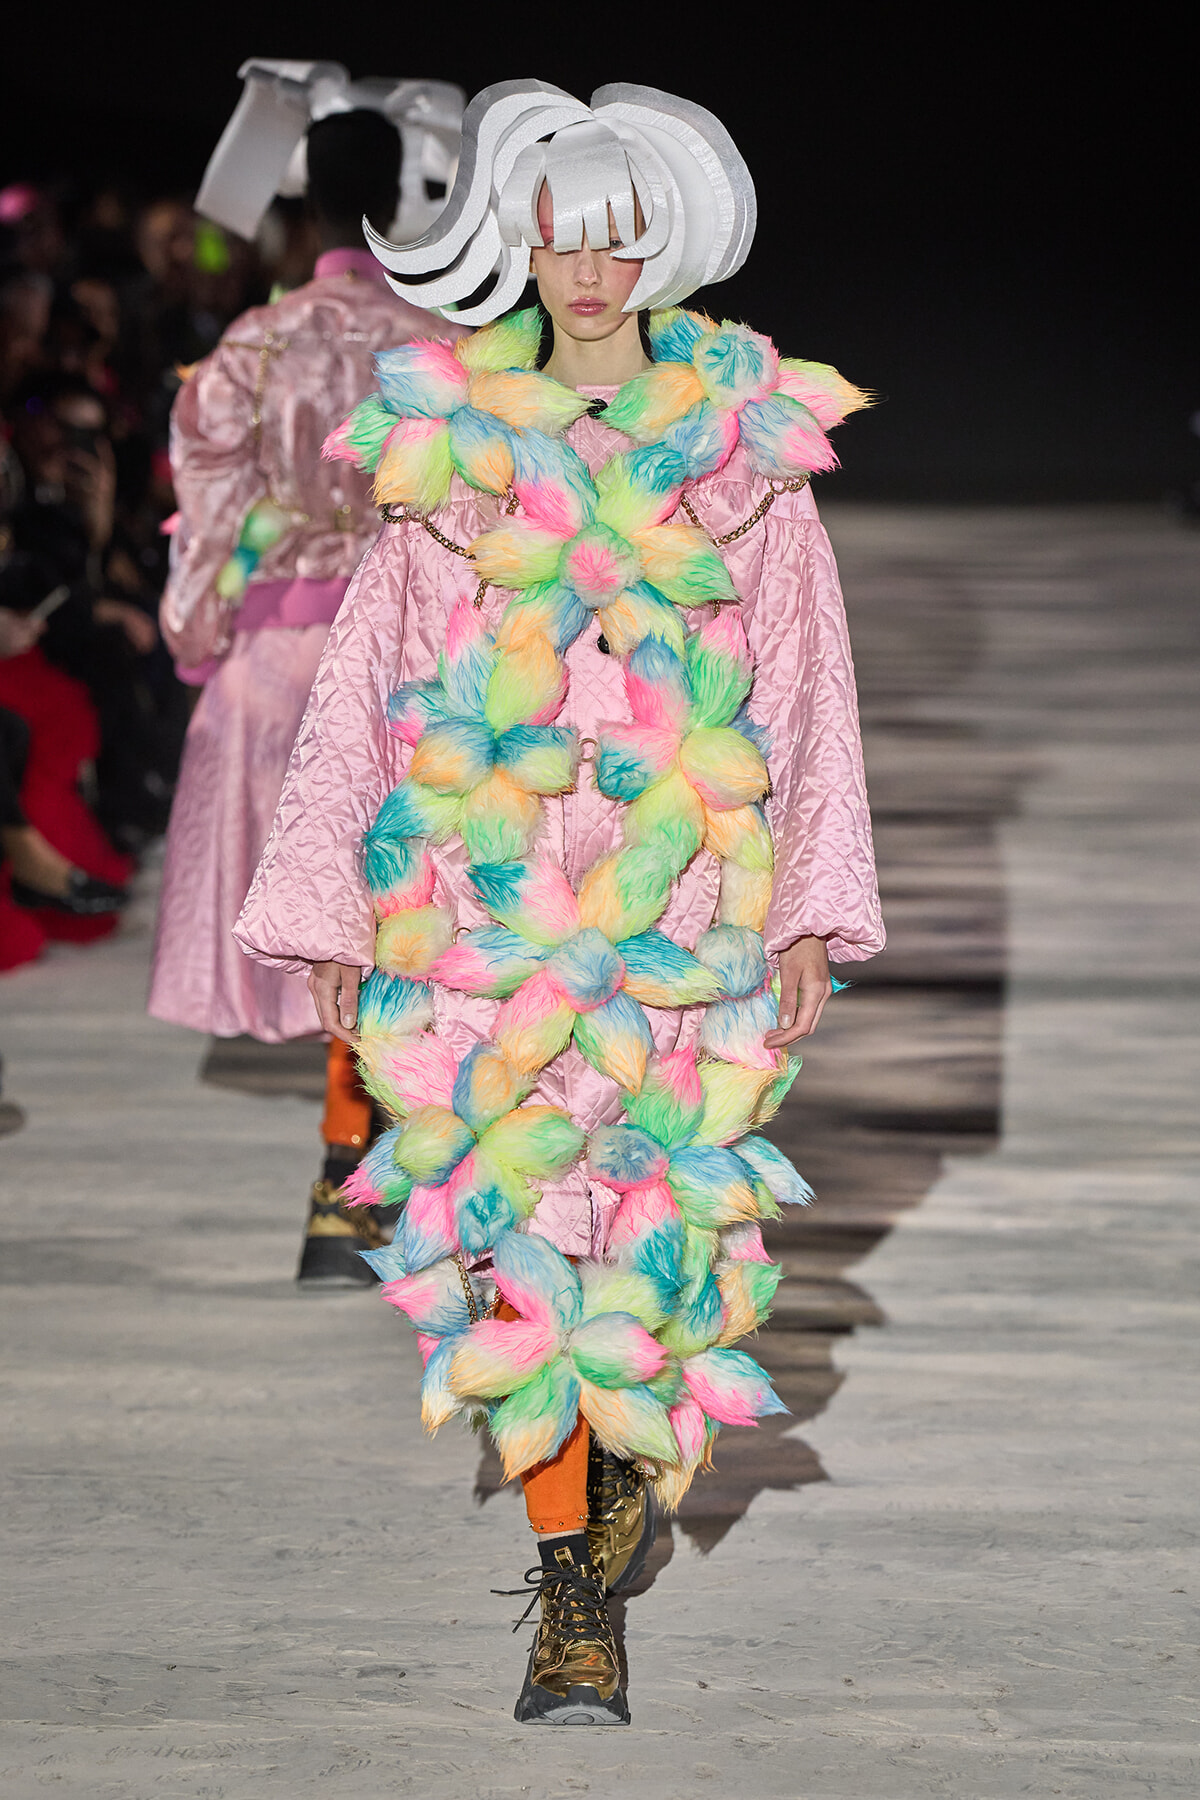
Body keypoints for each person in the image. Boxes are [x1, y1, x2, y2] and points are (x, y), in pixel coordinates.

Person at [237, 80, 884, 1724]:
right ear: (520, 236)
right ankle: (573, 1599)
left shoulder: (743, 462)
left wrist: (812, 899)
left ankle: (600, 1524)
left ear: (655, 241)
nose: (586, 269)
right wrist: (327, 908)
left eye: (614, 239)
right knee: (519, 1251)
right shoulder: (457, 447)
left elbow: (807, 689)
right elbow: (369, 682)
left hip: (691, 908)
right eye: (559, 235)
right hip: (483, 899)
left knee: (654, 1258)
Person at [149, 67, 466, 1284]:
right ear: (399, 198)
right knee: (402, 915)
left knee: (329, 922)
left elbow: (211, 502)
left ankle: (346, 1185)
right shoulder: (440, 349)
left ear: (302, 211)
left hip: (280, 660)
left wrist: (197, 634)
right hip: (402, 658)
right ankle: (375, 1169)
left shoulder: (253, 345)